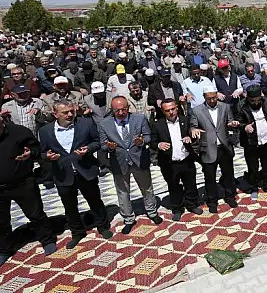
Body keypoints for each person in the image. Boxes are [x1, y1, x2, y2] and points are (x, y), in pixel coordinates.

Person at [39, 100, 112, 248]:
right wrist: (47, 156)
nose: (70, 114)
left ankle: (102, 226)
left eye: (71, 111)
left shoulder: (86, 123)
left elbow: (97, 142)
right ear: (55, 114)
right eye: (65, 112)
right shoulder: (45, 131)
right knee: (70, 206)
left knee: (95, 200)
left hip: (85, 170)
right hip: (63, 174)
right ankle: (77, 232)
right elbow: (42, 152)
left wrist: (88, 149)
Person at [98, 96, 163, 234]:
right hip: (119, 162)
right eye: (117, 111)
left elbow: (148, 136)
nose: (121, 113)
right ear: (112, 110)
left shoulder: (139, 118)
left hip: (139, 159)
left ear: (128, 107)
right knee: (122, 192)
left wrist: (142, 141)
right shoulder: (104, 124)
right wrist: (109, 147)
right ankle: (128, 218)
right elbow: (103, 145)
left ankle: (151, 212)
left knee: (147, 188)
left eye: (124, 109)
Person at [0, 117, 57, 263]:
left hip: (23, 183)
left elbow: (38, 149)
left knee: (35, 214)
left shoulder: (19, 132)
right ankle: (4, 249)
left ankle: (47, 240)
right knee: (1, 221)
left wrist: (30, 153)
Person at [151, 99, 203, 221]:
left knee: (190, 184)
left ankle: (192, 204)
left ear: (177, 108)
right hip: (169, 163)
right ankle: (177, 209)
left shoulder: (186, 120)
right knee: (173, 186)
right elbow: (152, 141)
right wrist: (158, 144)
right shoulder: (157, 125)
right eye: (167, 110)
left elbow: (193, 134)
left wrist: (190, 138)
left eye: (173, 109)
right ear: (163, 111)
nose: (171, 112)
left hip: (186, 159)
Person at [191, 87, 241, 212]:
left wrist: (232, 124)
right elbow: (192, 126)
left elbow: (229, 121)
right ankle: (212, 200)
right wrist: (194, 130)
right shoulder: (197, 110)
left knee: (228, 175)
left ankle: (230, 196)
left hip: (224, 147)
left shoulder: (225, 107)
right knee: (210, 177)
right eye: (209, 98)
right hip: (208, 148)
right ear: (204, 97)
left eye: (214, 97)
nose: (212, 100)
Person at [236, 86, 267, 198]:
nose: (256, 103)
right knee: (252, 167)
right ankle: (254, 188)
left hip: (266, 139)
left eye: (258, 100)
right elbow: (237, 122)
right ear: (248, 98)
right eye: (253, 101)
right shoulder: (241, 106)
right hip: (250, 142)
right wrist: (245, 127)